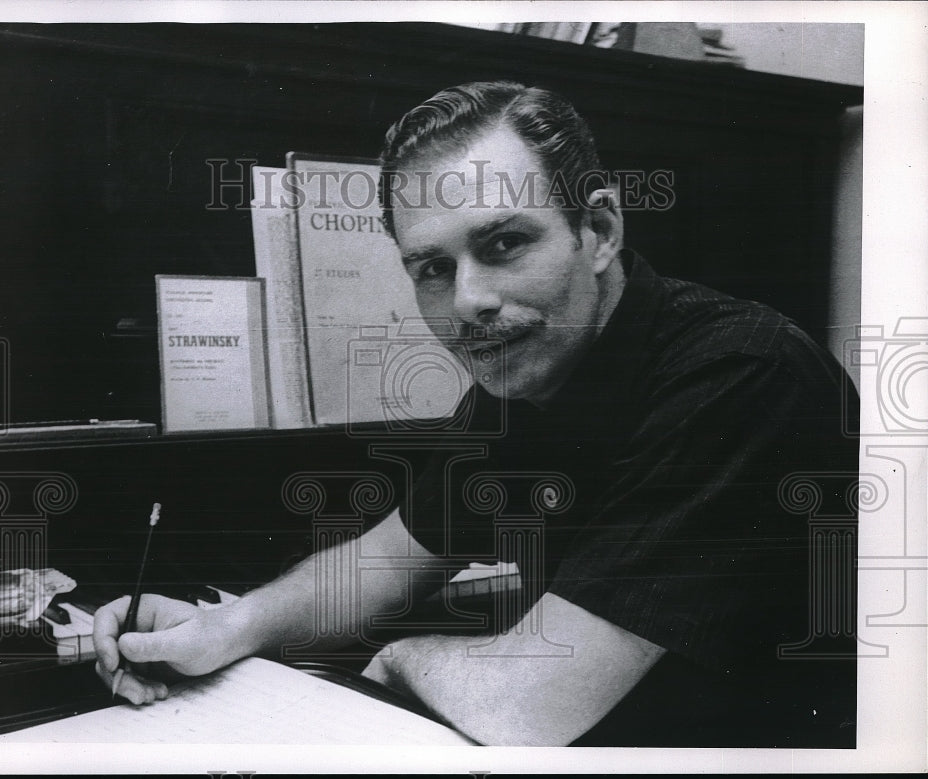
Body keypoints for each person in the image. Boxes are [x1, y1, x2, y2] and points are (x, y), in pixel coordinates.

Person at [93, 81, 858, 747]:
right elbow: (388, 561)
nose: (467, 302)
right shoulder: (527, 372)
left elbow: (530, 704)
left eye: (504, 242)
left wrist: (404, 656)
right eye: (432, 268)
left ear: (600, 231)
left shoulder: (745, 373)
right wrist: (225, 627)